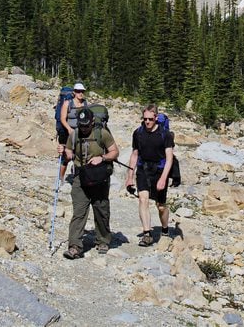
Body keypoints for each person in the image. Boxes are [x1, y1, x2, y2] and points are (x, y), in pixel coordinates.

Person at [63, 106, 119, 259]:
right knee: (79, 212)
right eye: (81, 125)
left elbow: (114, 152)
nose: (84, 128)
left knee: (101, 209)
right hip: (80, 177)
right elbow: (69, 151)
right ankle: (75, 246)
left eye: (87, 125)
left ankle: (103, 239)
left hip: (99, 177)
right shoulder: (74, 135)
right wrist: (67, 153)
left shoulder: (102, 134)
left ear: (93, 122)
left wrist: (103, 158)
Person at [125, 104, 174, 247]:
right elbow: (134, 155)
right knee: (143, 199)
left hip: (159, 170)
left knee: (161, 206)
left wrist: (164, 178)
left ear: (156, 118)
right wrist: (130, 176)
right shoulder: (138, 133)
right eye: (145, 119)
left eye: (150, 119)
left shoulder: (165, 135)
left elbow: (169, 158)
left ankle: (165, 229)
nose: (147, 122)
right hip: (143, 169)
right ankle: (147, 234)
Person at [58, 82, 88, 181]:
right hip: (69, 133)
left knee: (81, 155)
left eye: (82, 91)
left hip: (82, 133)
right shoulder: (68, 103)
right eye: (78, 91)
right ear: (74, 92)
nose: (80, 93)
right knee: (67, 156)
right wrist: (69, 129)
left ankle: (79, 176)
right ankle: (61, 177)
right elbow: (62, 118)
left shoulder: (85, 104)